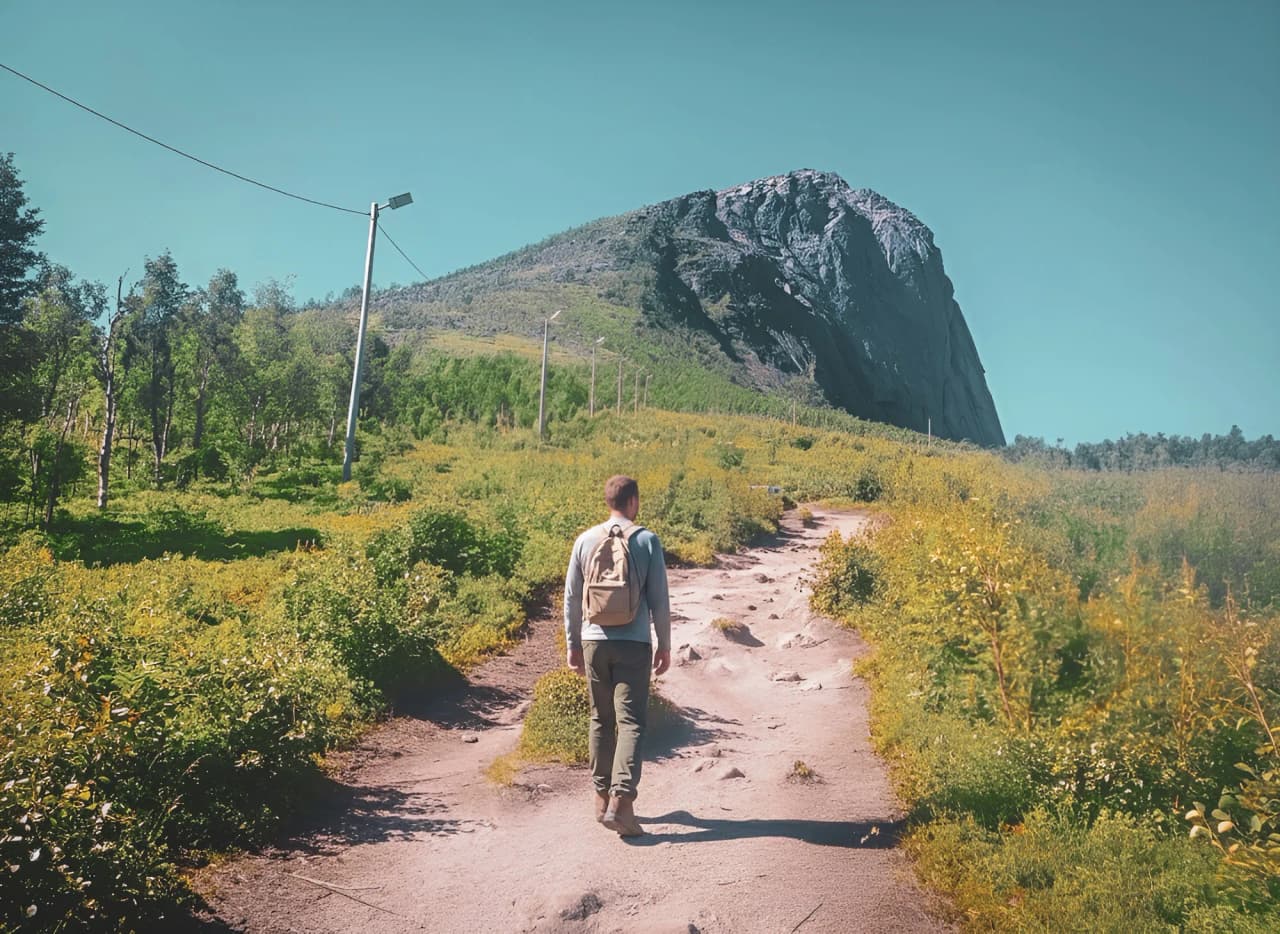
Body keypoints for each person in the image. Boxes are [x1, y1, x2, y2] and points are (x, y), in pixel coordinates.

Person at [564, 475, 671, 837]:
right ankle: (622, 803)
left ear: (607, 501)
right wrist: (665, 644)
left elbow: (572, 598)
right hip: (634, 644)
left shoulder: (584, 540)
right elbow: (660, 600)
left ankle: (599, 798)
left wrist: (573, 644)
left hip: (594, 641)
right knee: (632, 722)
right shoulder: (646, 540)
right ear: (634, 502)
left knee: (600, 719)